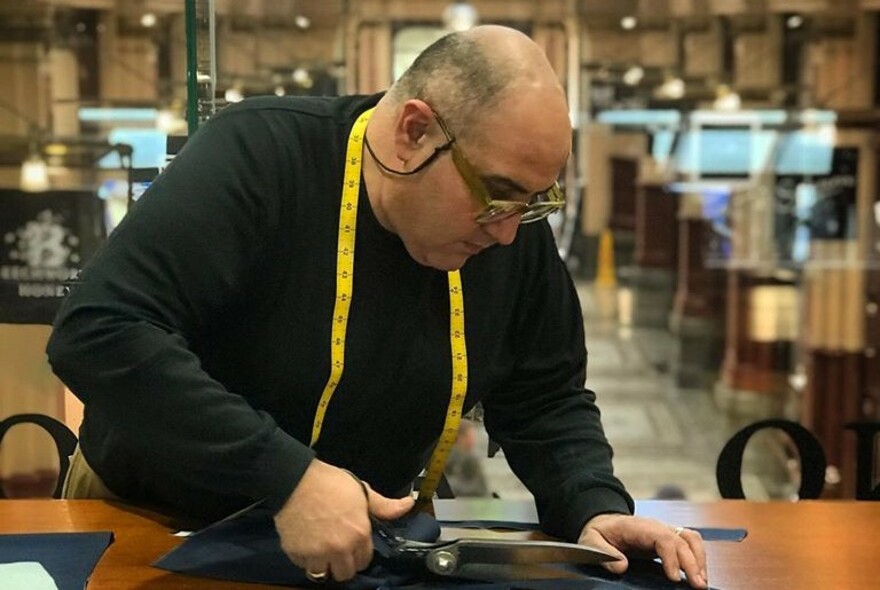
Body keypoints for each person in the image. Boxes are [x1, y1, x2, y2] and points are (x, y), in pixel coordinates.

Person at [47, 25, 708, 589]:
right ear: (415, 131)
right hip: (151, 524)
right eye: (499, 195)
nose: (508, 231)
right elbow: (100, 330)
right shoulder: (259, 157)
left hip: (355, 548)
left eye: (536, 202)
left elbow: (545, 397)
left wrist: (592, 506)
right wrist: (288, 478)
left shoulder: (511, 226)